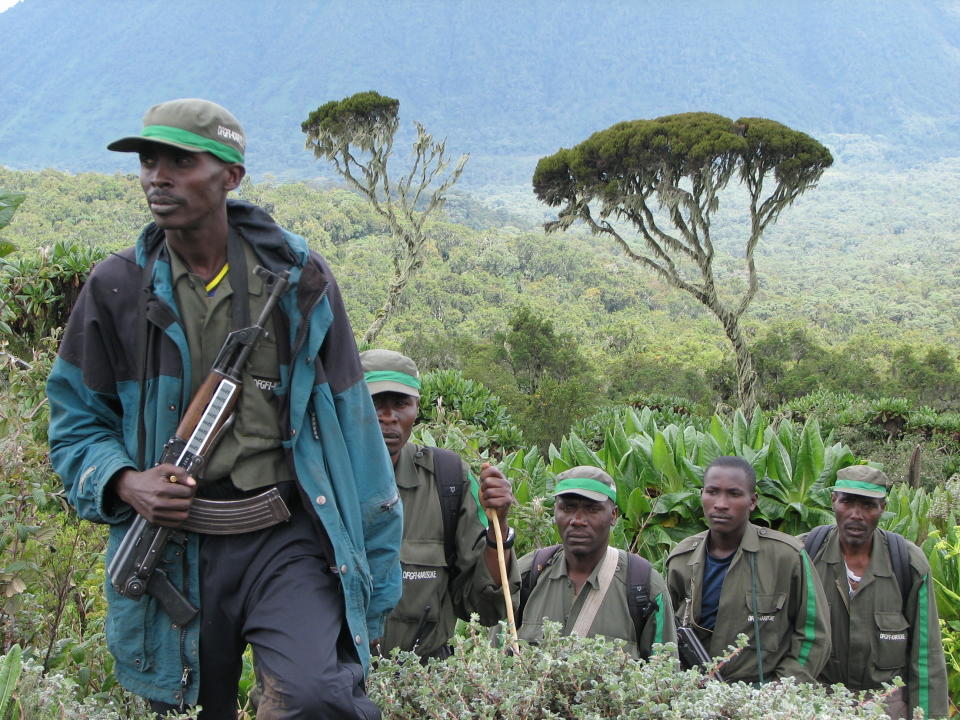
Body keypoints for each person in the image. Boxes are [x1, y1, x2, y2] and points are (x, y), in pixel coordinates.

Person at [46, 98, 401, 719]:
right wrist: (127, 482)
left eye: (182, 161)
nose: (158, 176)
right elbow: (75, 424)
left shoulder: (299, 283)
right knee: (184, 707)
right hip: (173, 547)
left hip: (287, 536)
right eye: (149, 160)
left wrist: (377, 569)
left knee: (318, 696)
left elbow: (356, 427)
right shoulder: (116, 289)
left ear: (230, 176)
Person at [360, 349, 520, 660]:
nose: (388, 417)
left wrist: (498, 525)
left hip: (422, 685)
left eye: (401, 404)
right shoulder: (320, 479)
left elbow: (485, 608)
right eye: (374, 403)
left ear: (416, 409)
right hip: (335, 681)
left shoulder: (448, 478)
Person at [666, 456, 830, 684]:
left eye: (734, 494)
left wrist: (782, 687)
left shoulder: (786, 556)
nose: (721, 503)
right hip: (696, 694)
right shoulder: (681, 559)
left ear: (752, 501)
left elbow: (814, 634)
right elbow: (666, 634)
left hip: (764, 697)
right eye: (712, 492)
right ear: (702, 495)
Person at [801, 465, 948, 719]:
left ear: (882, 507)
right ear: (833, 501)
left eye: (868, 505)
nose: (856, 514)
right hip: (817, 705)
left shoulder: (908, 563)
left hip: (886, 707)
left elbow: (926, 656)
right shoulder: (803, 554)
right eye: (847, 502)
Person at [515, 466, 676, 659]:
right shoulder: (528, 574)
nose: (578, 520)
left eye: (592, 509)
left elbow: (666, 677)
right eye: (568, 508)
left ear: (613, 515)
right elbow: (494, 666)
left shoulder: (644, 585)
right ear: (555, 511)